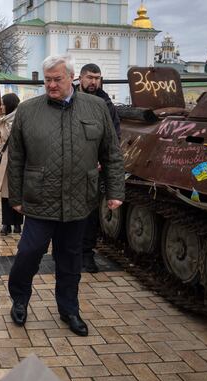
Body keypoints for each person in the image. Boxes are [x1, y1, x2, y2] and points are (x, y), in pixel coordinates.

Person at [6, 54, 125, 336]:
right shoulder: (28, 110)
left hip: (78, 199)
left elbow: (111, 153)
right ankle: (20, 299)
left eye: (57, 79)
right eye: (47, 80)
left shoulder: (96, 108)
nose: (51, 85)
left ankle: (69, 310)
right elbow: (16, 157)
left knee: (70, 260)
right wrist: (16, 198)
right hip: (39, 199)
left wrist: (115, 190)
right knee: (28, 253)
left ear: (71, 78)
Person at [77, 63, 122, 273]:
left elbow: (113, 137)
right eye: (90, 77)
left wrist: (100, 159)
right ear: (80, 78)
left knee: (90, 214)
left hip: (94, 169)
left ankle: (87, 254)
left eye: (97, 77)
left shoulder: (105, 104)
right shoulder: (70, 100)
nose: (93, 82)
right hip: (70, 165)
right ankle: (69, 253)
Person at [0, 93, 24, 236]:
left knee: (16, 193)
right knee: (5, 195)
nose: (0, 106)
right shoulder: (2, 120)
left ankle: (17, 223)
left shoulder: (21, 118)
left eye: (3, 103)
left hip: (17, 161)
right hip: (4, 162)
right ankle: (6, 224)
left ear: (10, 104)